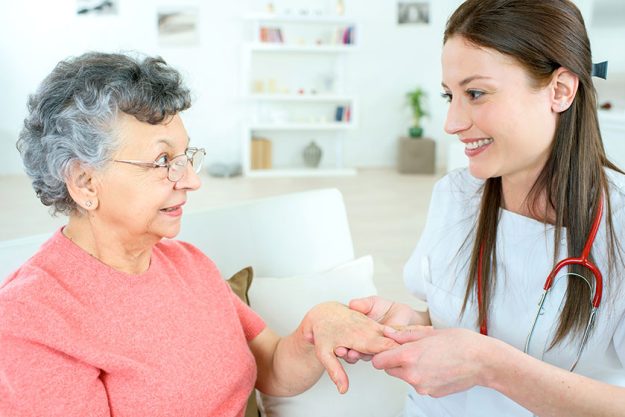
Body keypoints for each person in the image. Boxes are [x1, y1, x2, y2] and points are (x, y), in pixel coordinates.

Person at [0, 52, 397, 417]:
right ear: (85, 182)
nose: (191, 180)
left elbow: (272, 367)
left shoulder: (189, 264)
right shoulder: (32, 317)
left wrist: (318, 325)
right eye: (162, 161)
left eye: (187, 157)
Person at [343, 0, 625, 416]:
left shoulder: (618, 223)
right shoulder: (457, 196)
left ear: (560, 90)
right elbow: (451, 326)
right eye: (449, 95)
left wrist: (491, 366)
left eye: (476, 93)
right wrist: (406, 323)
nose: (452, 122)